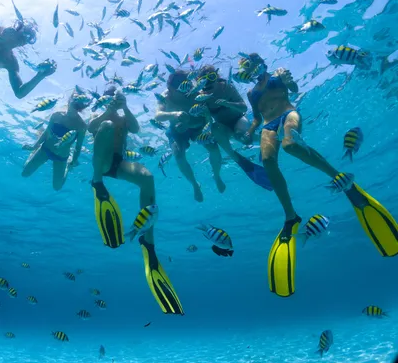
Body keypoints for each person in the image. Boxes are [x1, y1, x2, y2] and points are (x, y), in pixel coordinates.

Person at [239, 53, 398, 298]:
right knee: (269, 162)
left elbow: (293, 88)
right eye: (245, 67)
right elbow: (258, 118)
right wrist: (250, 130)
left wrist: (287, 80)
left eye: (251, 65)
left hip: (289, 113)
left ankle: (340, 178)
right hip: (267, 125)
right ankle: (290, 216)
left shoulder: (275, 76)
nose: (250, 70)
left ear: (261, 64)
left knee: (291, 145)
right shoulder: (251, 94)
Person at [89, 86, 184, 315]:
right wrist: (107, 111)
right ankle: (96, 182)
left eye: (117, 97)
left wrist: (125, 107)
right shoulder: (97, 115)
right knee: (107, 125)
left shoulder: (124, 116)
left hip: (119, 163)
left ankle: (147, 241)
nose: (113, 100)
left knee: (147, 178)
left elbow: (136, 127)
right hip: (101, 164)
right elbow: (92, 128)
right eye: (110, 97)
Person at [192, 64, 272, 191]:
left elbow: (244, 107)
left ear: (217, 77)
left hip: (238, 119)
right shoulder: (202, 97)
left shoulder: (226, 88)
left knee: (242, 137)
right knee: (215, 128)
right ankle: (236, 159)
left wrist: (227, 103)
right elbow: (208, 121)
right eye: (204, 81)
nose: (208, 83)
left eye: (211, 77)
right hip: (223, 126)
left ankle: (267, 139)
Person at [155, 70, 222, 202]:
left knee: (214, 148)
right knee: (178, 155)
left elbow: (206, 118)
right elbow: (157, 115)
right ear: (170, 89)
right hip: (176, 129)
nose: (185, 91)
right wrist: (174, 115)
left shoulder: (196, 93)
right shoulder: (165, 96)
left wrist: (190, 124)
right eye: (180, 89)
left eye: (188, 85)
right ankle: (195, 185)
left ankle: (217, 175)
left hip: (197, 126)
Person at [21, 92, 89, 190]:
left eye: (78, 101)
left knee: (57, 187)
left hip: (61, 156)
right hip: (45, 149)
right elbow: (46, 133)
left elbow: (78, 147)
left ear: (81, 105)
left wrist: (73, 161)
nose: (75, 101)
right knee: (25, 173)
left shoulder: (81, 126)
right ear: (69, 100)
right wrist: (34, 146)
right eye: (74, 98)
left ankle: (67, 169)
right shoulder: (56, 115)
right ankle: (33, 152)